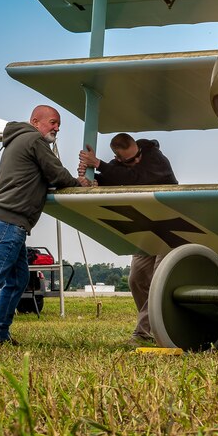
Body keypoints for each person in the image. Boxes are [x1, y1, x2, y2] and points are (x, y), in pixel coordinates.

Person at [0, 105, 91, 350]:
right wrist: (79, 183)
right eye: (53, 122)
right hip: (11, 221)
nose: (57, 128)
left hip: (5, 219)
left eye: (59, 125)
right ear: (36, 121)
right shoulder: (35, 140)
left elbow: (43, 176)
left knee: (18, 279)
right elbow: (56, 174)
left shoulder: (18, 140)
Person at [79, 133, 178, 345]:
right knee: (137, 279)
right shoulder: (120, 167)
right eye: (131, 161)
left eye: (138, 156)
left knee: (159, 280)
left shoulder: (155, 158)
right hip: (146, 229)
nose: (137, 161)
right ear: (120, 160)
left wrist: (98, 163)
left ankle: (143, 332)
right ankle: (158, 324)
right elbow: (116, 179)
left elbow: (137, 179)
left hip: (171, 226)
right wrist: (93, 180)